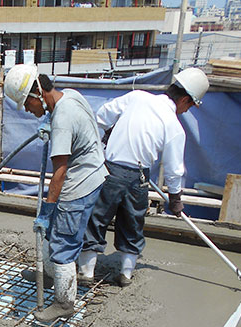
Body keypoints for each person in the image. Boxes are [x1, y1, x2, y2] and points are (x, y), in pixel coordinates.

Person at [79, 67, 210, 287]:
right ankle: (126, 275)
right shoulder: (174, 126)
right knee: (132, 224)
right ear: (185, 99)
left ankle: (86, 273)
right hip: (138, 179)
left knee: (95, 220)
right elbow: (174, 169)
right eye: (189, 106)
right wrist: (175, 198)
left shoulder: (136, 97)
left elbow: (101, 116)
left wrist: (106, 133)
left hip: (109, 172)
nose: (187, 111)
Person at [4, 64, 108, 323]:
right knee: (54, 232)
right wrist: (48, 119)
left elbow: (59, 170)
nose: (28, 111)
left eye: (28, 105)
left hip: (79, 183)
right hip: (93, 172)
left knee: (63, 241)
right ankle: (51, 276)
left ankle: (64, 303)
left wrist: (48, 210)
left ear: (37, 94)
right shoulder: (69, 96)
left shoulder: (62, 120)